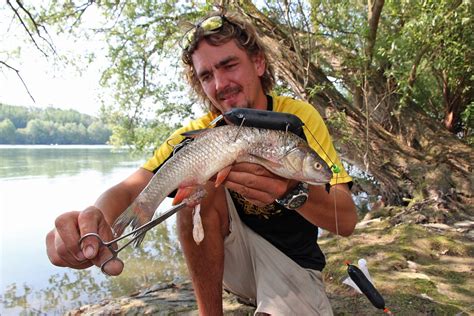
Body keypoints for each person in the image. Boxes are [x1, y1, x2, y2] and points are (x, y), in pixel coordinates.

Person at [46, 11, 357, 316]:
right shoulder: (199, 134)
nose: (220, 84)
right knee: (198, 191)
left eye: (229, 65)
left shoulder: (297, 119)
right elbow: (132, 188)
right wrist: (95, 221)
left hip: (292, 263)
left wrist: (291, 190)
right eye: (207, 75)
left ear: (258, 62)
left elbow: (346, 220)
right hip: (232, 263)